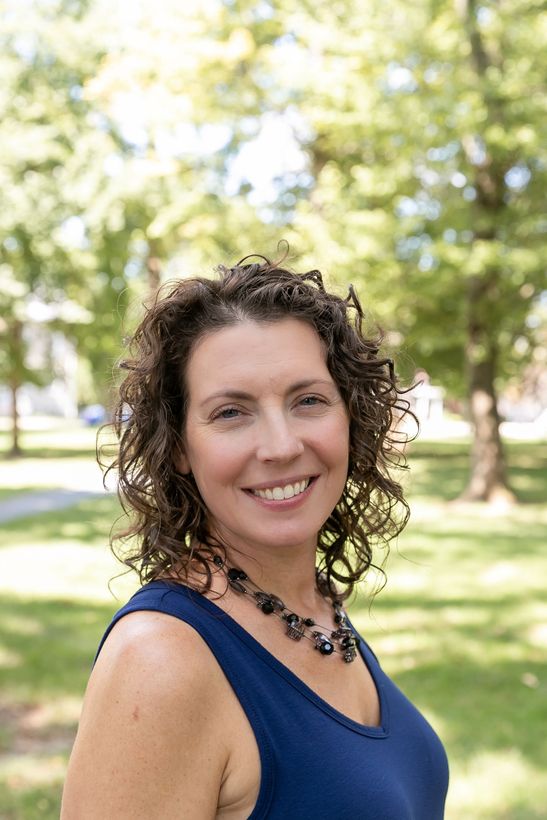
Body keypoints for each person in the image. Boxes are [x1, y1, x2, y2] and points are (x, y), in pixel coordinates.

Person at [61, 255, 449, 819]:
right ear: (178, 447)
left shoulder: (310, 605)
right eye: (231, 412)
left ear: (350, 415)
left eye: (308, 400)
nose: (280, 445)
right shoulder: (160, 663)